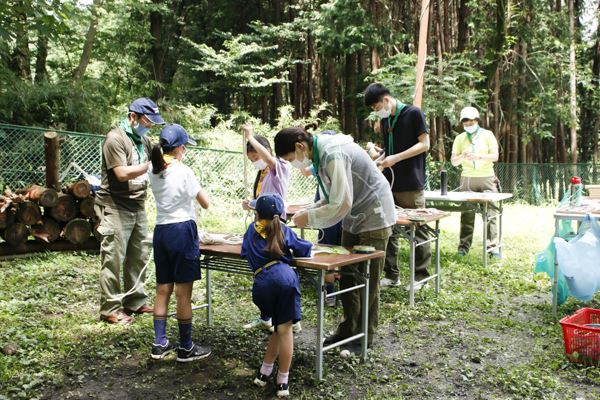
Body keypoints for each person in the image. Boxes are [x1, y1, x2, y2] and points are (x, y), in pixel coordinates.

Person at [274, 127, 395, 353]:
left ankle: (364, 337)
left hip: (375, 214)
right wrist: (309, 210)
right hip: (354, 215)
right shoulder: (319, 155)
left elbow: (341, 202)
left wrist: (309, 217)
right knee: (348, 275)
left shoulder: (332, 152)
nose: (293, 163)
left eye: (291, 158)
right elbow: (331, 197)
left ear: (300, 146)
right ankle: (348, 329)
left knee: (368, 277)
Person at [95, 98, 164, 325]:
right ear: (132, 116)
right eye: (147, 121)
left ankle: (135, 300)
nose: (150, 126)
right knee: (114, 258)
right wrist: (150, 165)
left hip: (138, 205)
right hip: (115, 205)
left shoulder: (143, 139)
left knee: (139, 255)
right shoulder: (115, 139)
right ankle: (110, 308)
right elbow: (122, 173)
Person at [148, 123, 212, 362]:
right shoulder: (185, 171)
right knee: (183, 294)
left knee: (163, 289)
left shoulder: (152, 169)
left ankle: (159, 343)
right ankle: (185, 347)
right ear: (181, 148)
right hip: (182, 230)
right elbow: (205, 202)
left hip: (161, 231)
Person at [241, 194, 312, 398]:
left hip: (261, 283)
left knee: (280, 328)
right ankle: (283, 381)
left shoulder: (250, 230)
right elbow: (305, 249)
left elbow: (244, 253)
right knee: (286, 330)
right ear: (280, 214)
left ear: (256, 213)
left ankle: (264, 372)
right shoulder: (282, 229)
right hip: (284, 279)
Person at [364, 82, 431, 291]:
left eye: (376, 108)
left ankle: (421, 277)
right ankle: (392, 274)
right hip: (388, 184)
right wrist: (379, 160)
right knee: (388, 228)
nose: (377, 112)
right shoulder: (386, 121)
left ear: (385, 100)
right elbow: (389, 151)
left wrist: (396, 158)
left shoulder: (413, 114)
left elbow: (425, 144)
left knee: (418, 229)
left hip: (411, 183)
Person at [240, 123, 294, 332]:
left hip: (274, 226)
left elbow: (270, 160)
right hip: (260, 224)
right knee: (261, 269)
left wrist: (251, 138)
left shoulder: (279, 166)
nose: (254, 162)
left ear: (265, 152)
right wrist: (251, 204)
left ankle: (285, 318)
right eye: (251, 159)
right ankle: (266, 316)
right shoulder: (262, 173)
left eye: (255, 157)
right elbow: (263, 199)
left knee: (272, 266)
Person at [451, 106, 501, 258]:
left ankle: (493, 248)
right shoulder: (460, 138)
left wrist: (479, 157)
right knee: (467, 214)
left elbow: (495, 156)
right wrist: (462, 157)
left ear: (477, 120)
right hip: (467, 179)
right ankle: (463, 248)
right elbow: (454, 161)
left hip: (487, 178)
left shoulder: (487, 135)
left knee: (491, 213)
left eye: (471, 122)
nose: (468, 125)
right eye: (465, 123)